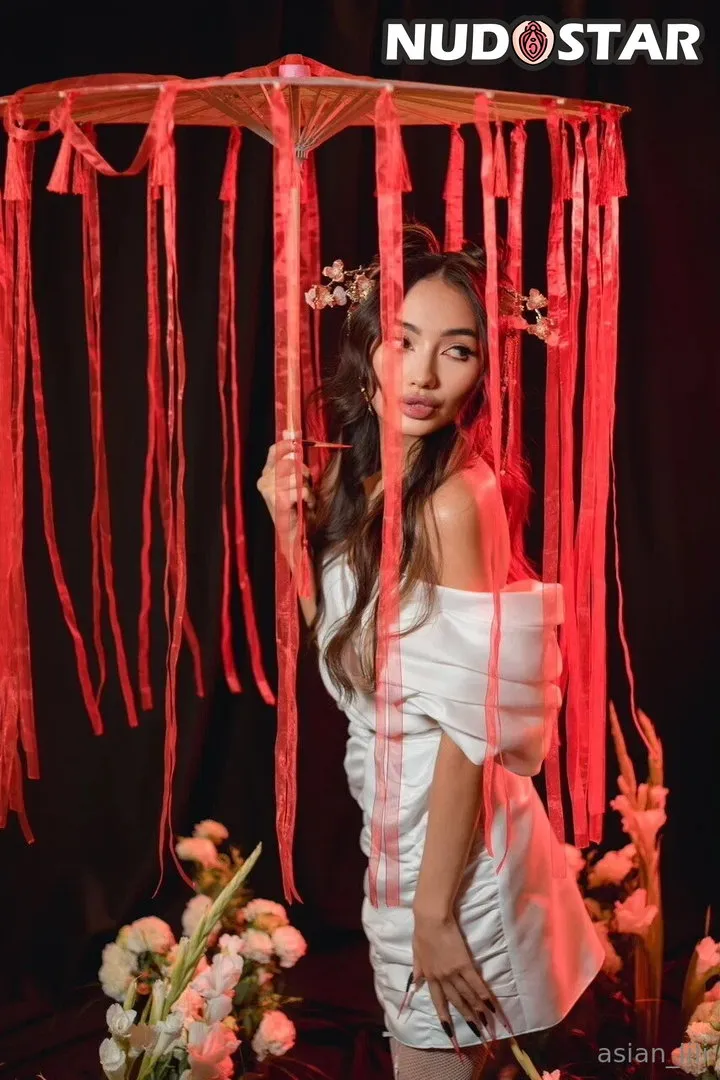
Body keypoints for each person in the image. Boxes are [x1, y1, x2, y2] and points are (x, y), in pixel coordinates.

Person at [257, 224, 604, 1079]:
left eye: (456, 351)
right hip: (396, 826)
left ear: (483, 371)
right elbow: (356, 667)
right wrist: (291, 534)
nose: (421, 376)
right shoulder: (359, 478)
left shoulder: (455, 500)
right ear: (365, 347)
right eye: (402, 340)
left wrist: (437, 914)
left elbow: (466, 728)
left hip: (454, 847)